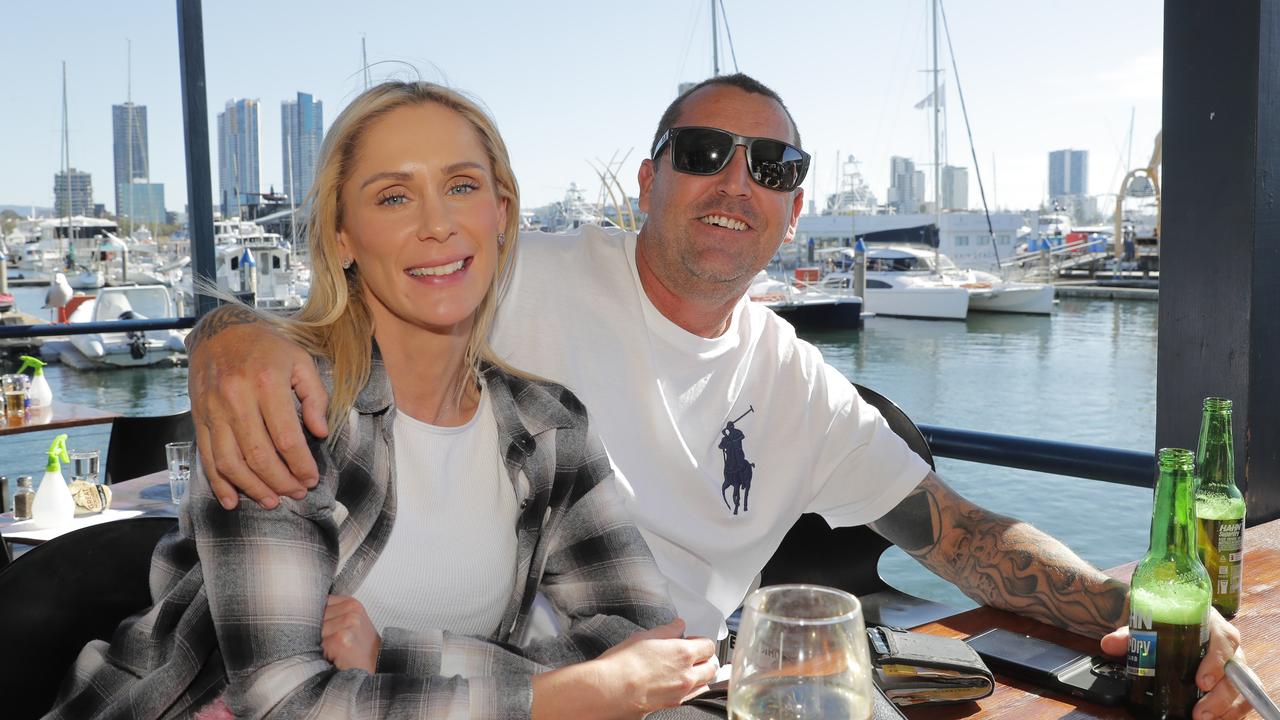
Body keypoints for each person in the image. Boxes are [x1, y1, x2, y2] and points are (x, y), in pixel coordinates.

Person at [186, 74, 1249, 719]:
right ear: (647, 183)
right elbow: (345, 314)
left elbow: (955, 532)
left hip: (675, 690)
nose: (735, 182)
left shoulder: (790, 378)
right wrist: (225, 336)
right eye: (702, 153)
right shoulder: (518, 276)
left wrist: (1139, 608)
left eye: (772, 165)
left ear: (791, 209)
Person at [44, 82, 718, 720]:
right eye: (394, 197)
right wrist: (565, 695)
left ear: (502, 214)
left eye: (461, 186)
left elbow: (644, 646)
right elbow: (285, 703)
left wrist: (396, 655)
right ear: (342, 237)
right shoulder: (289, 406)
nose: (437, 224)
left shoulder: (548, 427)